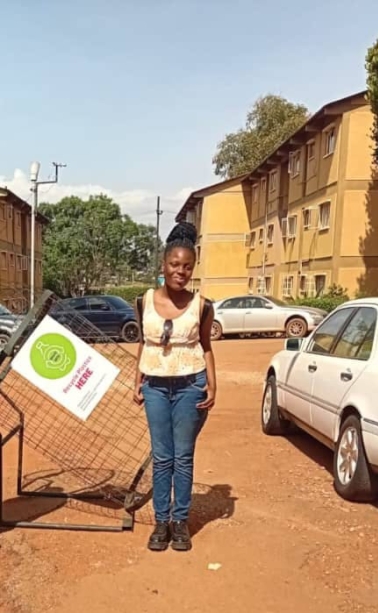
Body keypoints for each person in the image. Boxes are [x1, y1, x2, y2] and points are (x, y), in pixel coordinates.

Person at [133, 221, 216, 552]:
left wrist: (212, 384)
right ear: (163, 266)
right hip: (154, 385)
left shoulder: (202, 305)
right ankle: (160, 523)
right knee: (162, 456)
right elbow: (144, 343)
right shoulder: (144, 301)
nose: (180, 272)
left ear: (192, 270)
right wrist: (136, 380)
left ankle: (180, 522)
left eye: (187, 267)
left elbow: (207, 346)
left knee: (183, 456)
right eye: (174, 265)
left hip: (189, 385)